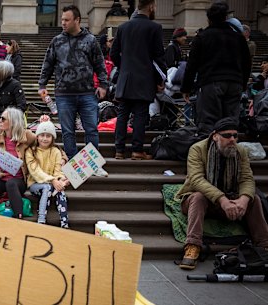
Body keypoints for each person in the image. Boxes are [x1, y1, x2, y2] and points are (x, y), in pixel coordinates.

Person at [176, 117, 268, 270]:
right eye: (227, 135)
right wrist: (222, 200)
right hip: (201, 200)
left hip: (230, 197)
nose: (232, 139)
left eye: (235, 135)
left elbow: (247, 179)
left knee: (254, 199)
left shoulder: (241, 151)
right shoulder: (197, 149)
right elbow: (196, 180)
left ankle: (264, 245)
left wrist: (243, 200)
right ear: (215, 136)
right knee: (199, 197)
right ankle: (193, 245)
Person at [39, 5, 109, 176]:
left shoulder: (91, 40)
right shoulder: (56, 41)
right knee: (67, 131)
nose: (63, 23)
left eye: (67, 20)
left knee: (91, 129)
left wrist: (103, 84)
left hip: (87, 93)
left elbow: (99, 64)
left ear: (77, 20)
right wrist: (42, 85)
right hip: (63, 94)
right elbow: (47, 64)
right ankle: (73, 165)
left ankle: (93, 165)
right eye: (62, 19)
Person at [180, 1, 250, 134]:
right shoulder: (238, 37)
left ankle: (211, 151)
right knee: (230, 121)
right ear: (225, 18)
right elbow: (247, 63)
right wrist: (244, 83)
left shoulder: (202, 37)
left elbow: (192, 65)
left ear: (208, 19)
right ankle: (229, 151)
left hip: (210, 82)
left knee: (209, 122)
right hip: (234, 82)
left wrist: (186, 88)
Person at [110, 0, 166, 160]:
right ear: (150, 6)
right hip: (144, 78)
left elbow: (113, 54)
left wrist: (125, 67)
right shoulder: (154, 28)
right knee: (141, 114)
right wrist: (161, 78)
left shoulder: (123, 27)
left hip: (125, 78)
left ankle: (119, 150)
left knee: (123, 114)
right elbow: (158, 56)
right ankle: (136, 150)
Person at [25, 120, 70, 228]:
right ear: (37, 136)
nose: (45, 138)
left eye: (48, 136)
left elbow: (57, 170)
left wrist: (61, 180)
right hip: (35, 184)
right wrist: (53, 180)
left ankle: (64, 223)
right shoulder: (31, 151)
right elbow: (35, 171)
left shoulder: (56, 151)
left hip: (51, 184)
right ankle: (41, 220)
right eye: (42, 135)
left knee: (60, 191)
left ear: (52, 138)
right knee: (47, 187)